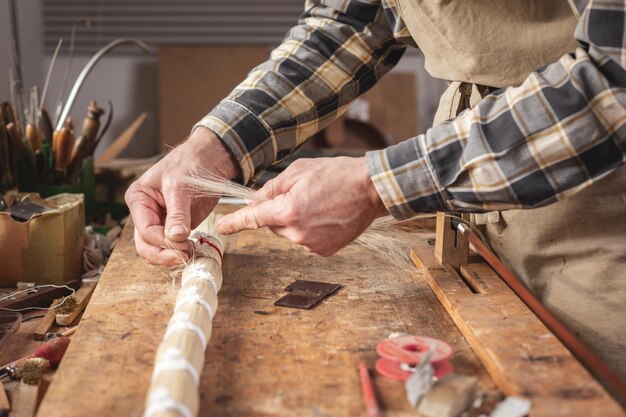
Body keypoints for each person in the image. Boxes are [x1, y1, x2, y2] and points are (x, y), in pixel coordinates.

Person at [126, 0, 626, 379]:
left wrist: (379, 184)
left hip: (601, 226)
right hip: (476, 220)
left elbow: (615, 78)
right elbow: (352, 22)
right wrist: (217, 145)